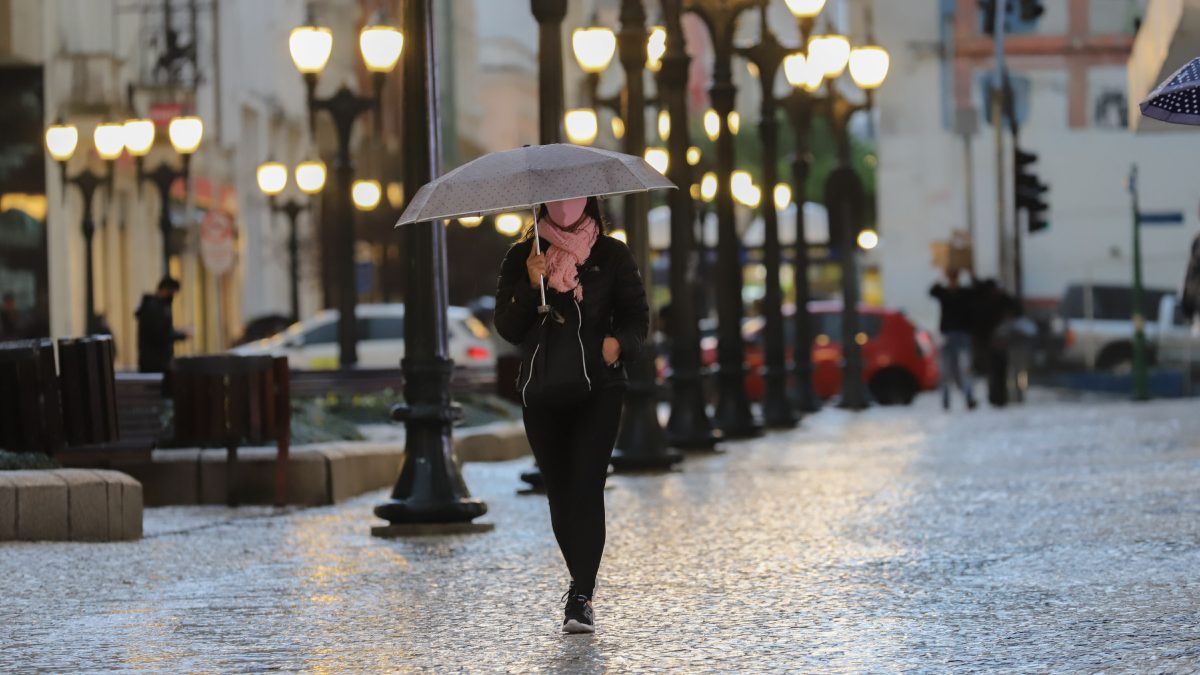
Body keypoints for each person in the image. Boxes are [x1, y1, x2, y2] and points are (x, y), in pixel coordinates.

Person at [493, 196, 648, 635]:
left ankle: (581, 597)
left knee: (586, 483)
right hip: (542, 390)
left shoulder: (612, 254)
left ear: (589, 202)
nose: (565, 206)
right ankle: (580, 587)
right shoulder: (523, 254)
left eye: (573, 197)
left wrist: (618, 344)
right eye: (556, 201)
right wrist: (528, 283)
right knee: (560, 491)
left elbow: (638, 317)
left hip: (599, 387)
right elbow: (507, 326)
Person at [930, 268, 977, 410]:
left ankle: (968, 396)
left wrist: (970, 274)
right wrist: (941, 277)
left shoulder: (964, 293)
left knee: (964, 368)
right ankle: (946, 398)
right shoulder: (944, 293)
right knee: (946, 370)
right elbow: (932, 291)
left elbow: (976, 291)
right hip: (948, 334)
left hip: (961, 334)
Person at [136, 277, 187, 374]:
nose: (173, 296)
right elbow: (160, 334)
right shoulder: (155, 308)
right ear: (165, 289)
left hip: (155, 360)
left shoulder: (157, 306)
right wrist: (180, 335)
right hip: (155, 363)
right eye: (172, 292)